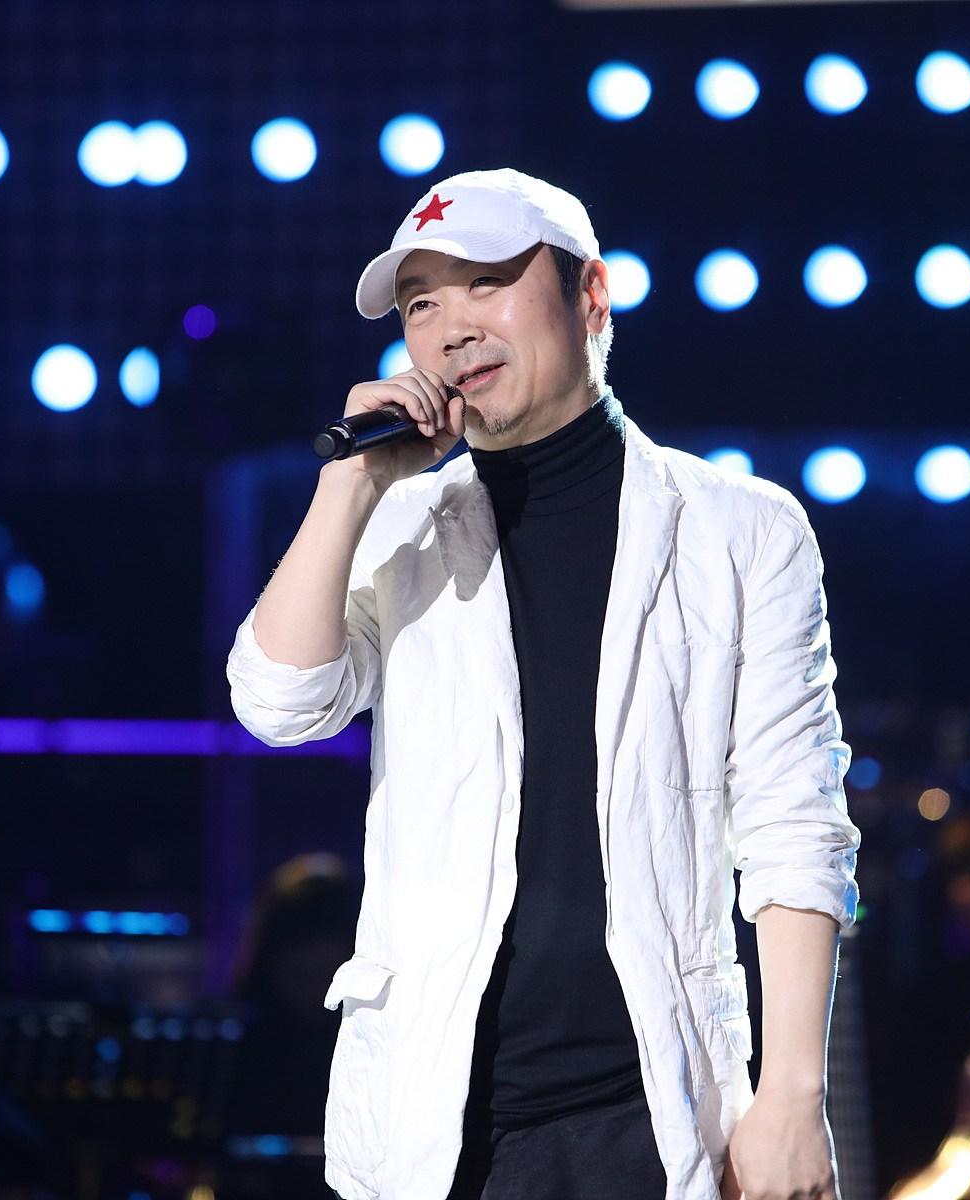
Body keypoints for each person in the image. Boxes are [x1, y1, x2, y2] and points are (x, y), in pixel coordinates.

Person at [226, 167, 862, 1200]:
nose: (452, 328)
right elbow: (279, 704)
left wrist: (792, 1093)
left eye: (485, 283)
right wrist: (350, 486)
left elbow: (797, 823)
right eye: (421, 305)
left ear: (591, 294)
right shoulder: (400, 525)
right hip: (436, 1122)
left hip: (645, 1110)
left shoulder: (742, 530)